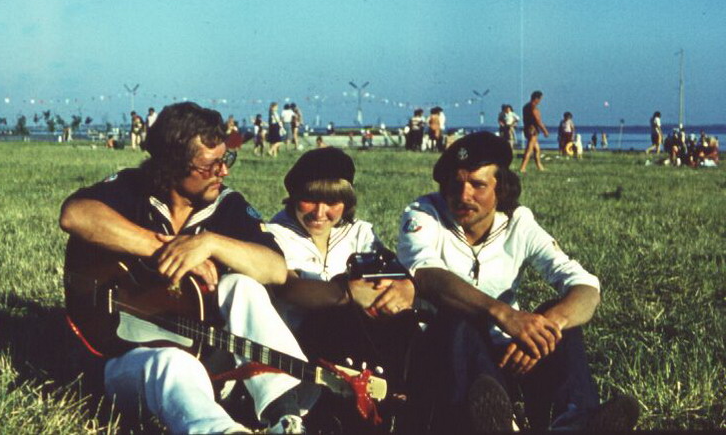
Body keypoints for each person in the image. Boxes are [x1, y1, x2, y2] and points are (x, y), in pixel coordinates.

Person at [59, 102, 317, 434]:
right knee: (172, 362)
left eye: (226, 159)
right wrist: (162, 247)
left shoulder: (227, 205)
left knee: (242, 286)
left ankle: (285, 416)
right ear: (171, 165)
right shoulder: (133, 188)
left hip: (208, 359)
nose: (223, 172)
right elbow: (75, 215)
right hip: (123, 358)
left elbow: (275, 270)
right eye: (210, 165)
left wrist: (209, 243)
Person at [398, 131, 639, 432]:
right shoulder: (424, 213)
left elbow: (585, 287)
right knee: (456, 318)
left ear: (501, 188)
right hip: (444, 355)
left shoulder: (518, 222)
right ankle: (494, 422)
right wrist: (503, 314)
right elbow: (426, 274)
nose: (463, 195)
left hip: (507, 355)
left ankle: (576, 422)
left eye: (477, 185)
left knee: (558, 318)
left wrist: (544, 329)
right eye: (455, 184)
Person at [267, 148, 417, 425]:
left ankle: (414, 397)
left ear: (346, 202)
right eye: (309, 200)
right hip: (301, 345)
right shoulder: (276, 234)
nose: (320, 212)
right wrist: (346, 292)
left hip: (362, 341)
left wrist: (404, 285)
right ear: (293, 196)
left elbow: (392, 273)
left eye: (332, 202)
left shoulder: (359, 232)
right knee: (337, 314)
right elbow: (286, 286)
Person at [518, 91, 549, 172]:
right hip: (533, 130)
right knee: (529, 149)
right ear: (536, 98)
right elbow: (538, 121)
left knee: (537, 149)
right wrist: (545, 131)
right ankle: (523, 167)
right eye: (540, 99)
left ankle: (539, 166)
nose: (540, 101)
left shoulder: (526, 106)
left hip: (527, 128)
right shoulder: (533, 107)